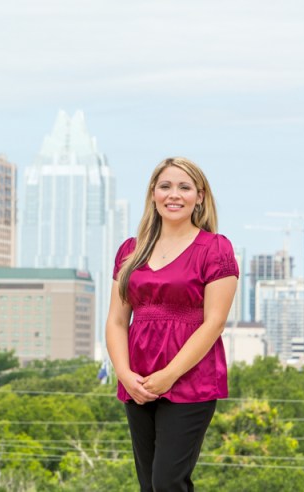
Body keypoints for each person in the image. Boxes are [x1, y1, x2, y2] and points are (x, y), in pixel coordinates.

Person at [106, 157, 238, 491]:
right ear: (153, 193)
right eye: (165, 186)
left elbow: (214, 323)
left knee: (168, 482)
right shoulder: (130, 251)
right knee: (148, 484)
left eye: (184, 187)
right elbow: (117, 321)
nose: (174, 194)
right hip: (138, 379)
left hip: (191, 378)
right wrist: (125, 374)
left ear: (200, 196)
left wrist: (169, 375)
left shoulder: (215, 249)